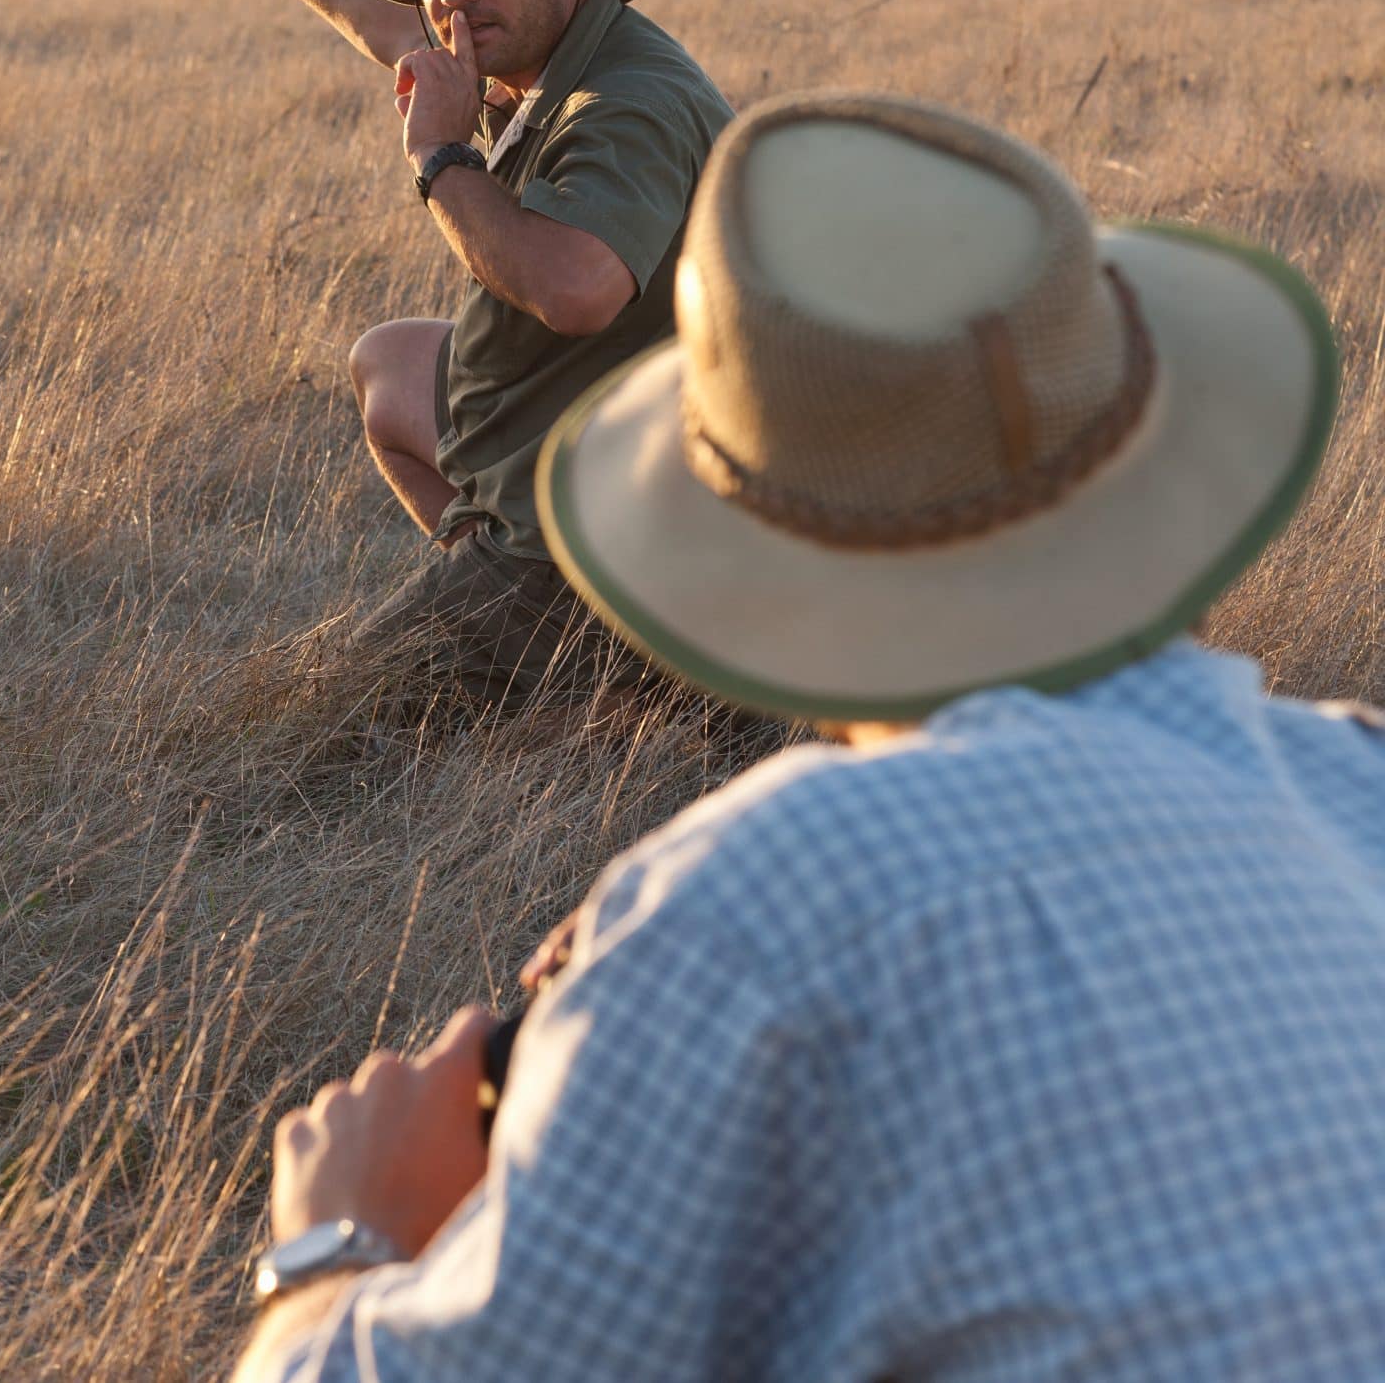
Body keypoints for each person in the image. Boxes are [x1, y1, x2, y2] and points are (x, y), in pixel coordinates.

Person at [234, 94, 1385, 1380]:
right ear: (1142, 429)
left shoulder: (752, 900)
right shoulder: (1357, 782)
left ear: (743, 542)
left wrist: (341, 1244)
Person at [190, 0, 732, 716]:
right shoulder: (545, 59)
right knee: (392, 362)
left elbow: (578, 291)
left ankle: (591, 658)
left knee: (315, 728)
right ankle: (537, 641)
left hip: (620, 518)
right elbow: (401, 37)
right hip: (581, 438)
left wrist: (442, 156)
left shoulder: (625, 102)